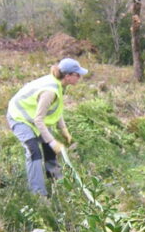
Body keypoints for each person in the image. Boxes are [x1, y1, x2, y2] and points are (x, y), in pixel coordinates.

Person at [7, 57, 88, 196]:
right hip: (19, 117)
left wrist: (63, 129)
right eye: (77, 75)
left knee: (49, 148)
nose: (80, 78)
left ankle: (57, 181)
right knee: (34, 152)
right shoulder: (50, 91)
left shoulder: (60, 85)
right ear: (68, 76)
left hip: (34, 118)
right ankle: (39, 194)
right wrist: (52, 141)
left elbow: (56, 109)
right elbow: (39, 119)